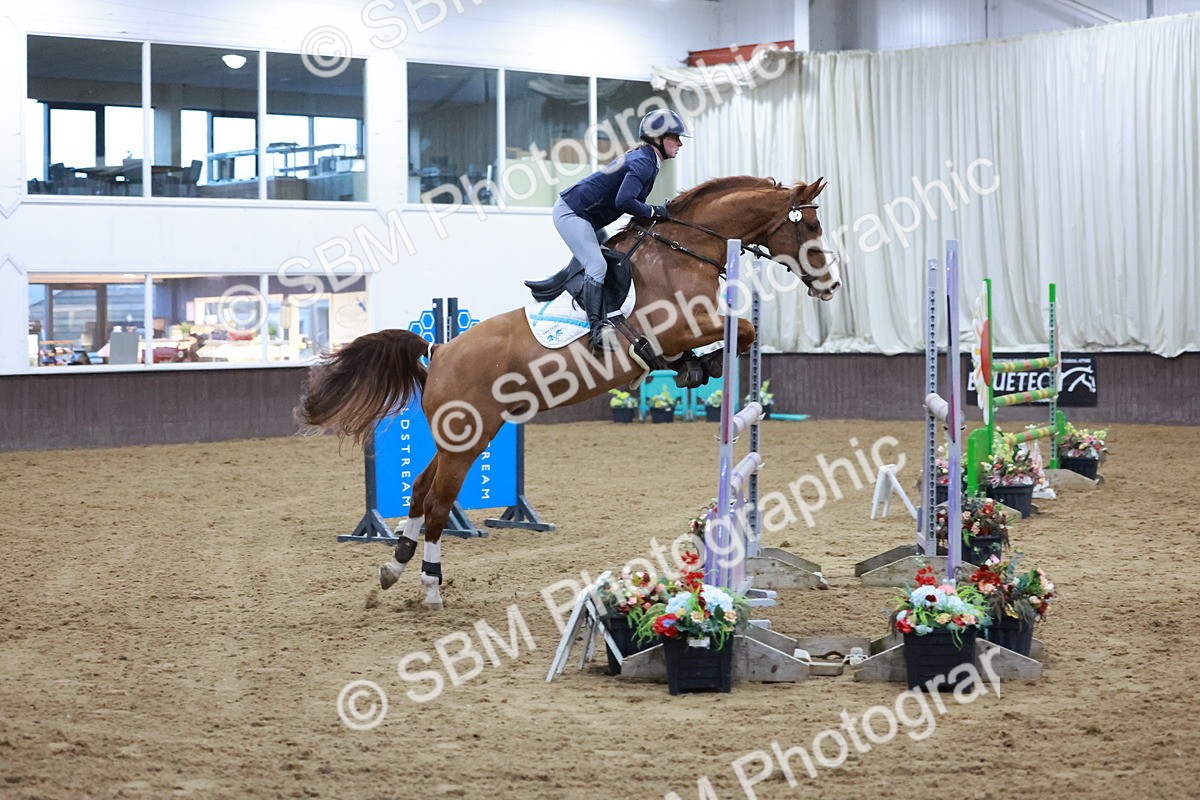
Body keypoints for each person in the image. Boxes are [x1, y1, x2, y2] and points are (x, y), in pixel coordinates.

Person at [554, 108, 690, 352]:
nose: (680, 143)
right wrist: (653, 211)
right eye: (674, 137)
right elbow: (624, 202)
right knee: (597, 265)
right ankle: (597, 329)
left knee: (615, 258)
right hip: (571, 213)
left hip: (586, 218)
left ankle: (611, 315)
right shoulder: (643, 162)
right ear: (657, 139)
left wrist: (654, 213)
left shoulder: (649, 159)